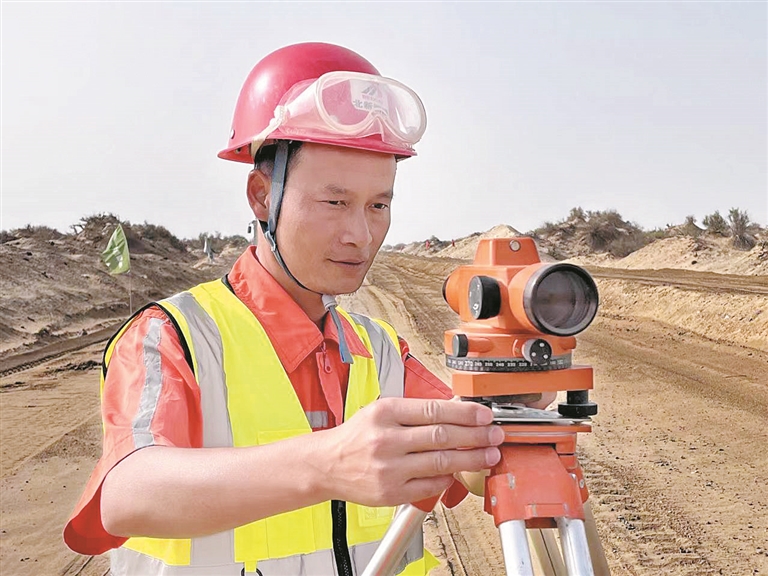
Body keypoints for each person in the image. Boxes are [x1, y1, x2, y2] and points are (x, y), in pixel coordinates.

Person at [63, 42, 548, 576]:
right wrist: (327, 464)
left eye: (378, 205)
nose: (360, 235)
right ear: (261, 196)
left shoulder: (378, 349)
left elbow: (469, 451)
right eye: (334, 202)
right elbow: (127, 493)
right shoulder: (175, 335)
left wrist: (513, 407)